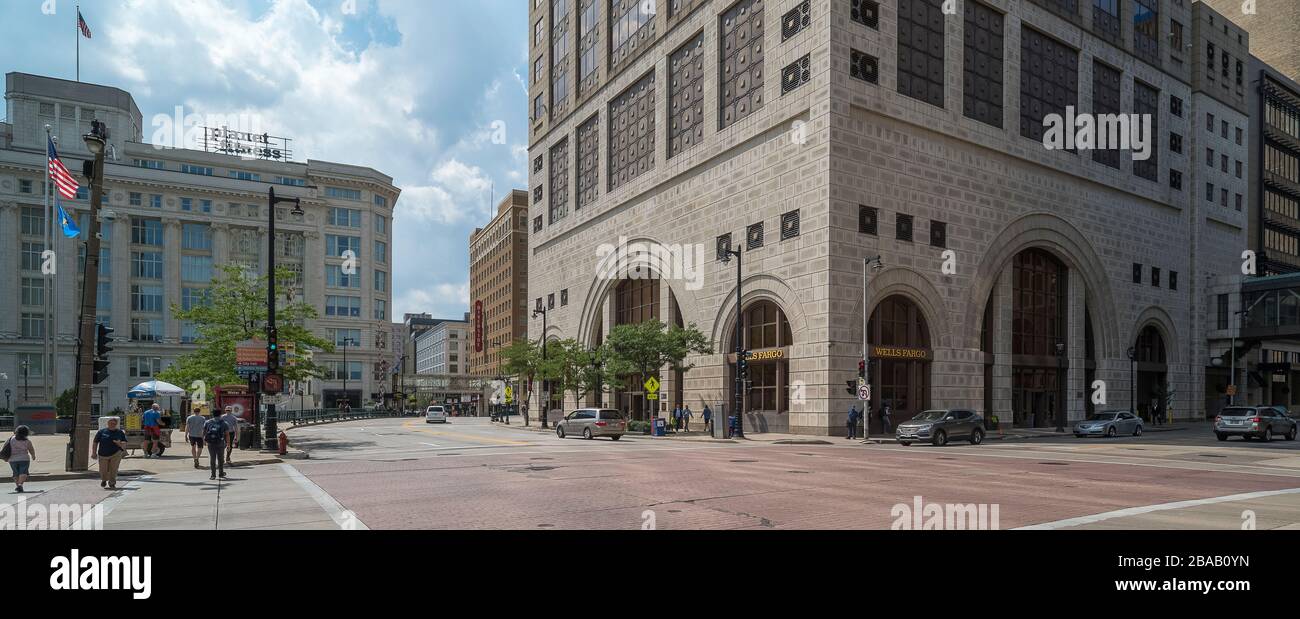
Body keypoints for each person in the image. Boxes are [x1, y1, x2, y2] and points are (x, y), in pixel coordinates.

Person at [93, 417, 129, 490]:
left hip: (116, 453)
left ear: (116, 424)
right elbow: (95, 442)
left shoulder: (120, 432)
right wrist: (94, 453)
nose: (112, 425)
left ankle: (112, 483)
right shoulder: (101, 432)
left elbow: (124, 442)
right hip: (102, 454)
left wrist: (120, 443)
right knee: (103, 469)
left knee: (114, 469)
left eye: (114, 423)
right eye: (111, 423)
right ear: (108, 423)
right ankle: (104, 479)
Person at [2, 425, 36, 493]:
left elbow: (5, 448)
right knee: (23, 472)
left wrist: (5, 457)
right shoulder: (27, 441)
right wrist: (33, 455)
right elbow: (31, 449)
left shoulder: (10, 439)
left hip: (12, 459)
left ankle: (18, 486)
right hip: (24, 459)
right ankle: (20, 485)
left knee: (16, 473)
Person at [202, 413, 229, 480]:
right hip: (220, 443)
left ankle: (213, 475)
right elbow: (227, 434)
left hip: (210, 443)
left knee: (212, 458)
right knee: (220, 459)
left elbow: (204, 432)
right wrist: (228, 444)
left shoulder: (207, 422)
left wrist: (204, 440)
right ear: (220, 415)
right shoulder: (224, 423)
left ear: (213, 415)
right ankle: (221, 473)